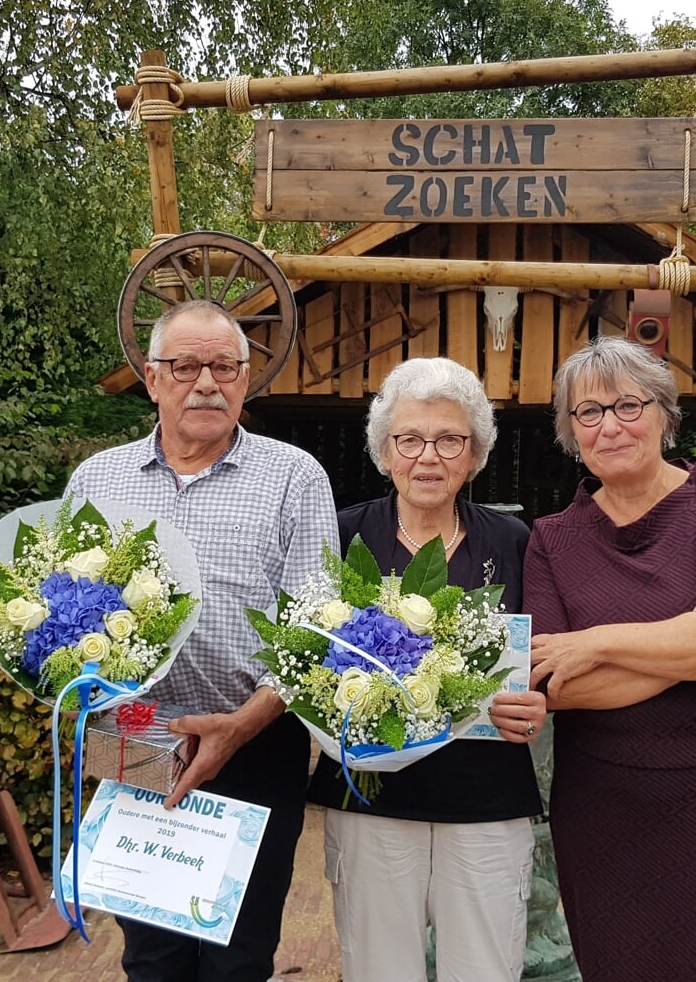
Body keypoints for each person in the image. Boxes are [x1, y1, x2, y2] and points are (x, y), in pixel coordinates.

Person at [63, 299, 339, 982]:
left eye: (225, 365)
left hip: (254, 739)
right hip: (132, 737)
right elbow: (59, 617)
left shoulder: (294, 477)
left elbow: (315, 626)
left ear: (246, 379)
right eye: (186, 365)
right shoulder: (96, 480)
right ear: (152, 377)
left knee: (237, 960)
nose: (207, 382)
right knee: (150, 958)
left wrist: (244, 724)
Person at [523, 336, 696, 980]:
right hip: (605, 809)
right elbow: (553, 684)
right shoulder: (552, 540)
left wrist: (595, 641)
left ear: (665, 415)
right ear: (571, 432)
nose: (609, 426)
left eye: (627, 405)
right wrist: (691, 632)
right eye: (588, 413)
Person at [307, 357, 549, 982]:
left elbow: (545, 656)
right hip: (372, 801)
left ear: (474, 455)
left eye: (450, 440)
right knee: (380, 969)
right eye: (410, 439)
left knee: (486, 970)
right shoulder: (338, 537)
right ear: (385, 453)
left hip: (488, 798)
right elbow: (302, 657)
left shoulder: (515, 542)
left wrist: (538, 697)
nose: (429, 457)